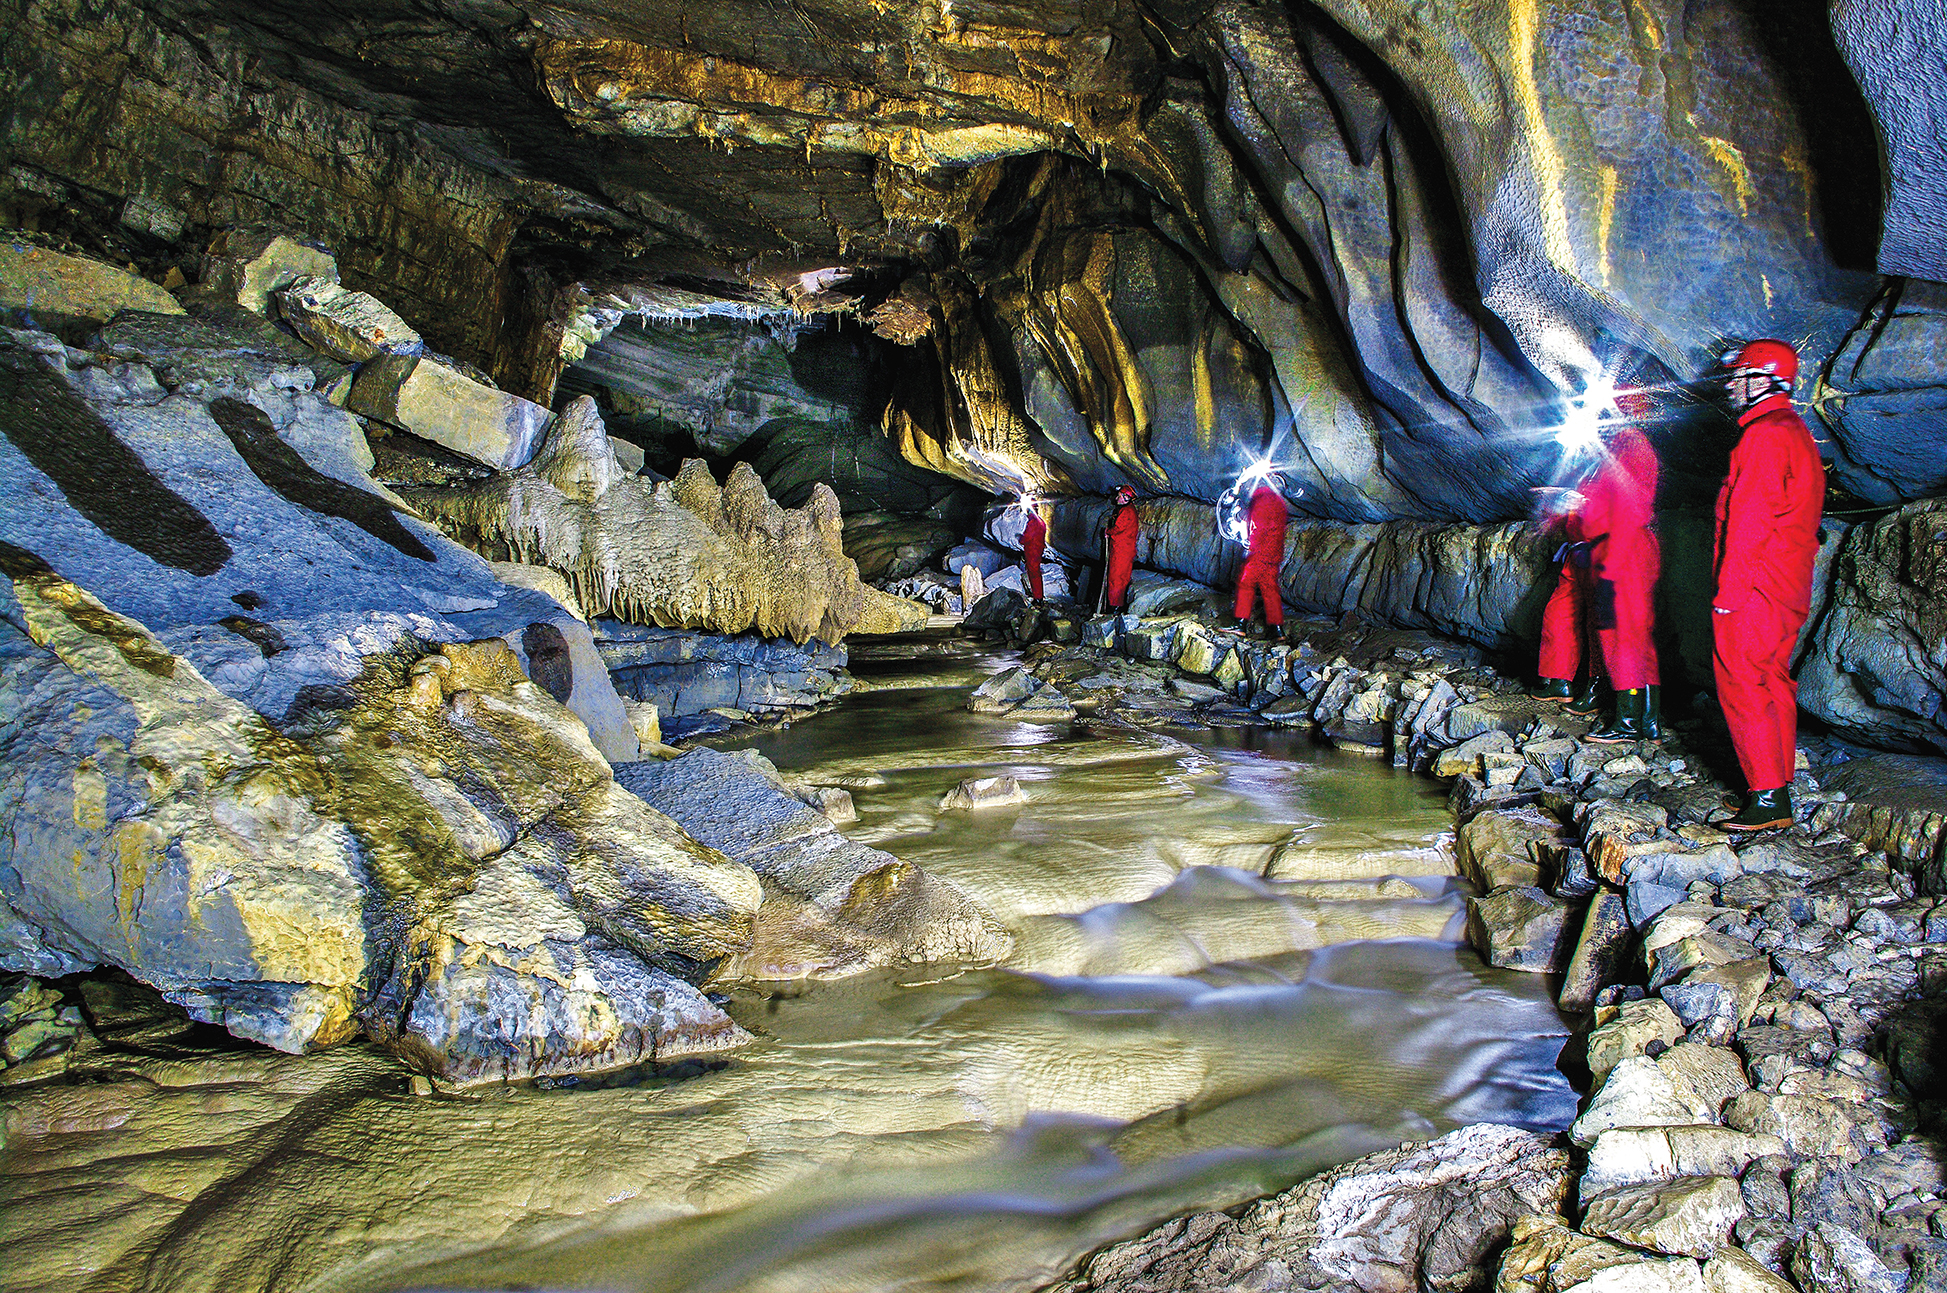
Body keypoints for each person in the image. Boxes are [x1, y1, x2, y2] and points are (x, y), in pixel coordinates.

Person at [1713, 339, 1825, 831]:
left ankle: (1766, 797)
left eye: (1740, 376)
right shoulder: (1795, 431)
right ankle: (1779, 784)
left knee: (1742, 680)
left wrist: (1727, 597)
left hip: (1754, 586)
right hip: (1787, 582)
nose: (1732, 385)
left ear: (1763, 381)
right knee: (1775, 678)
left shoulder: (1763, 437)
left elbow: (1748, 523)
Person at [1582, 389, 1662, 742]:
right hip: (1622, 547)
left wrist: (1610, 572)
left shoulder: (1631, 449)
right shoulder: (1623, 449)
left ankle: (1628, 722)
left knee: (1620, 638)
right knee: (1635, 635)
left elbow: (1629, 511)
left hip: (1623, 550)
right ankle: (1647, 720)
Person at [1233, 473, 1287, 636]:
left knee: (1245, 583)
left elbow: (1258, 526)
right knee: (1270, 589)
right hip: (1275, 553)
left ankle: (1240, 624)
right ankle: (1277, 630)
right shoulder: (1280, 503)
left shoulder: (1262, 499)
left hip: (1260, 553)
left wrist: (1250, 546)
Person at [1103, 484, 1139, 614]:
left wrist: (1108, 531)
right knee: (1121, 578)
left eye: (1119, 496)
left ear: (1125, 498)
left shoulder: (1126, 511)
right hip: (1125, 550)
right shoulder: (1129, 510)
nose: (1116, 499)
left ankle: (1114, 606)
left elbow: (1119, 528)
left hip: (1121, 550)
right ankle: (1117, 605)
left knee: (1116, 578)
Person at [1021, 497, 1048, 605]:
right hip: (1038, 550)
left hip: (1032, 551)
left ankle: (1038, 598)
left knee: (1033, 574)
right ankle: (1039, 596)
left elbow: (1027, 537)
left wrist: (1020, 539)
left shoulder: (1032, 522)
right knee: (1036, 574)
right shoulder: (1041, 521)